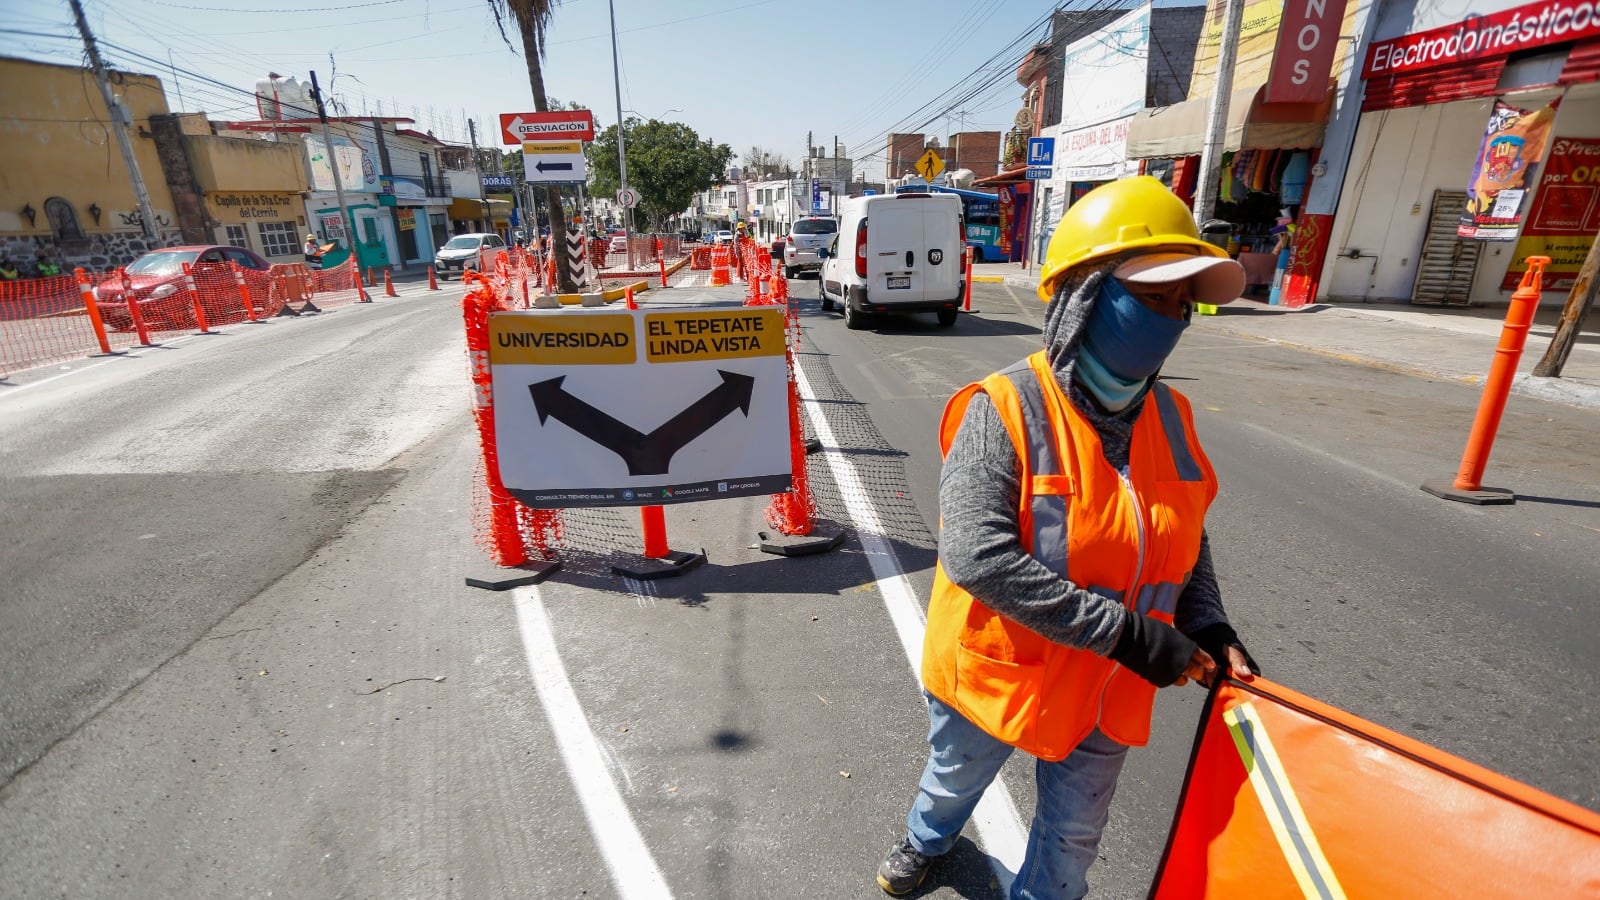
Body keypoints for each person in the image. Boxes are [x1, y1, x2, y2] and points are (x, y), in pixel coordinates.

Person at [876, 176, 1260, 899]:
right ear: (1085, 295)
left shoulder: (1172, 415)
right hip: (1004, 674)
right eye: (1153, 298)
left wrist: (1206, 620)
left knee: (1073, 840)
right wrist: (1129, 635)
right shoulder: (1004, 409)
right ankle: (927, 839)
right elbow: (978, 557)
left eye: (1183, 304)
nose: (1171, 319)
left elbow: (1185, 530)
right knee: (955, 780)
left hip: (1107, 687)